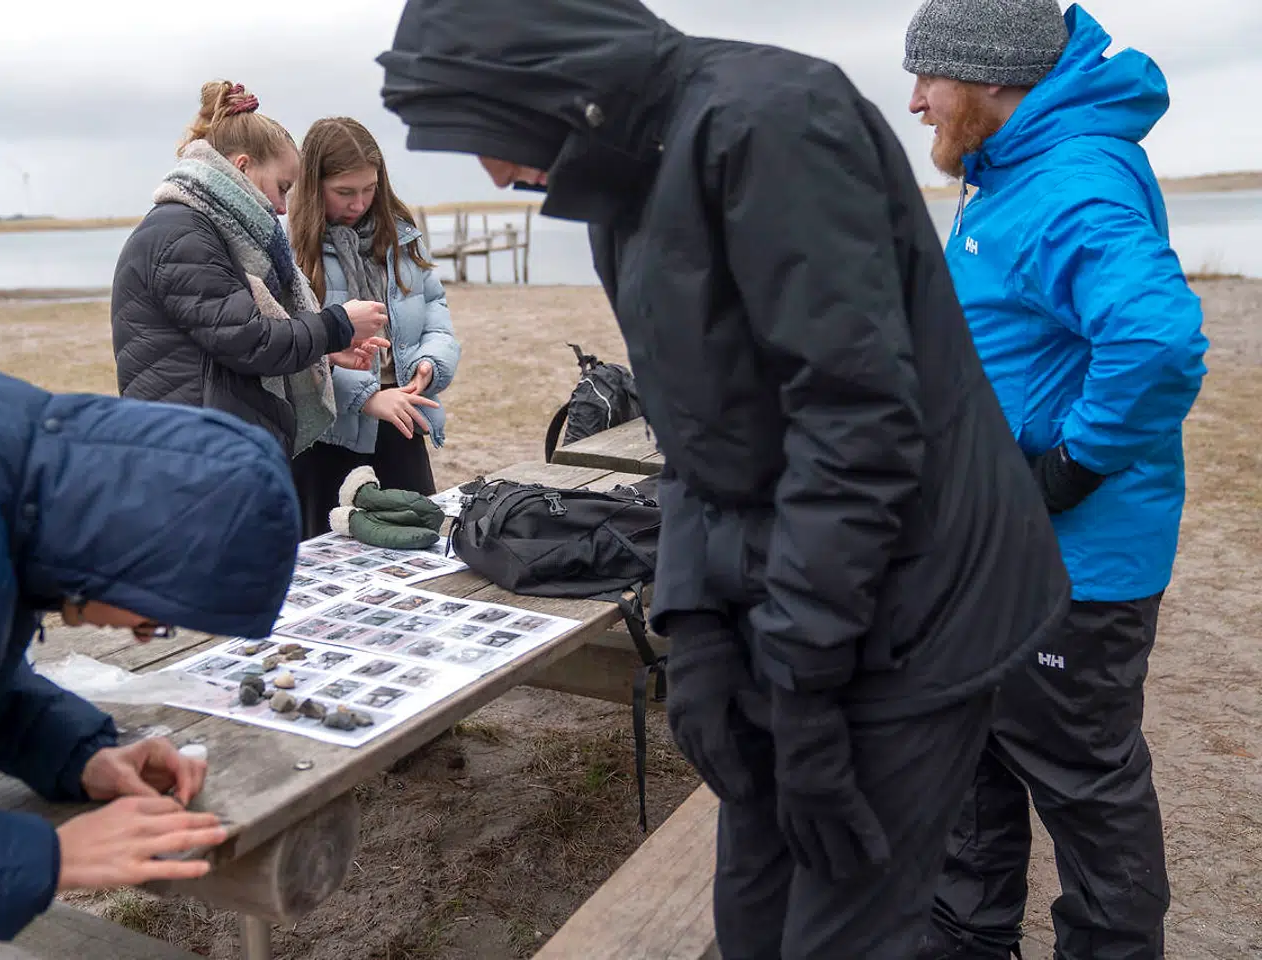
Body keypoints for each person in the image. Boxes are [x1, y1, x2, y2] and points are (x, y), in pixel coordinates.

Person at [376, 1, 1072, 956]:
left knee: (844, 927)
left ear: (554, 77)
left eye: (489, 134)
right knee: (752, 916)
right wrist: (696, 626)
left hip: (918, 603)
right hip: (791, 592)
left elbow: (855, 425)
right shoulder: (621, 183)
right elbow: (694, 437)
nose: (497, 173)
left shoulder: (771, 123)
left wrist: (807, 682)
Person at [902, 3, 1209, 957]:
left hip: (1072, 567)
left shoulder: (1070, 182)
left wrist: (1069, 468)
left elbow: (1157, 338)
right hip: (1000, 550)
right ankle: (966, 935)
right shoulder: (1012, 167)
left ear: (996, 78)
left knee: (1083, 781)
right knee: (976, 752)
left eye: (931, 79)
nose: (915, 101)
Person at [0, 353, 303, 956]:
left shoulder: (13, 454)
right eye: (154, 620)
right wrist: (53, 857)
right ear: (125, 563)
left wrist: (77, 753)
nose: (140, 634)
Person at [112, 80, 390, 466]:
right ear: (243, 166)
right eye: (282, 187)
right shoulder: (183, 235)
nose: (281, 207)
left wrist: (322, 354)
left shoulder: (207, 227)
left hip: (207, 442)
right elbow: (251, 341)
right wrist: (336, 325)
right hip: (192, 452)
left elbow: (226, 340)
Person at [286, 117, 459, 539]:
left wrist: (429, 365)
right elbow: (293, 346)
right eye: (345, 192)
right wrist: (366, 397)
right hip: (326, 438)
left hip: (401, 422)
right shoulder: (289, 251)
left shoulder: (403, 239)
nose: (359, 203)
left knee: (416, 547)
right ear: (313, 186)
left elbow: (435, 309)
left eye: (369, 188)